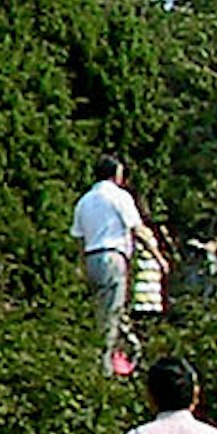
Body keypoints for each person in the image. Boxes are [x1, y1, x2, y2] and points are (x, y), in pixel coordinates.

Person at [72, 156, 148, 368]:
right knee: (110, 318)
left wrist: (82, 267)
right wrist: (158, 256)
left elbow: (79, 238)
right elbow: (137, 228)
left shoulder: (84, 201)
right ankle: (105, 369)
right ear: (116, 174)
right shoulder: (118, 196)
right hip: (112, 256)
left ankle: (126, 354)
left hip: (91, 258)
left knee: (103, 312)